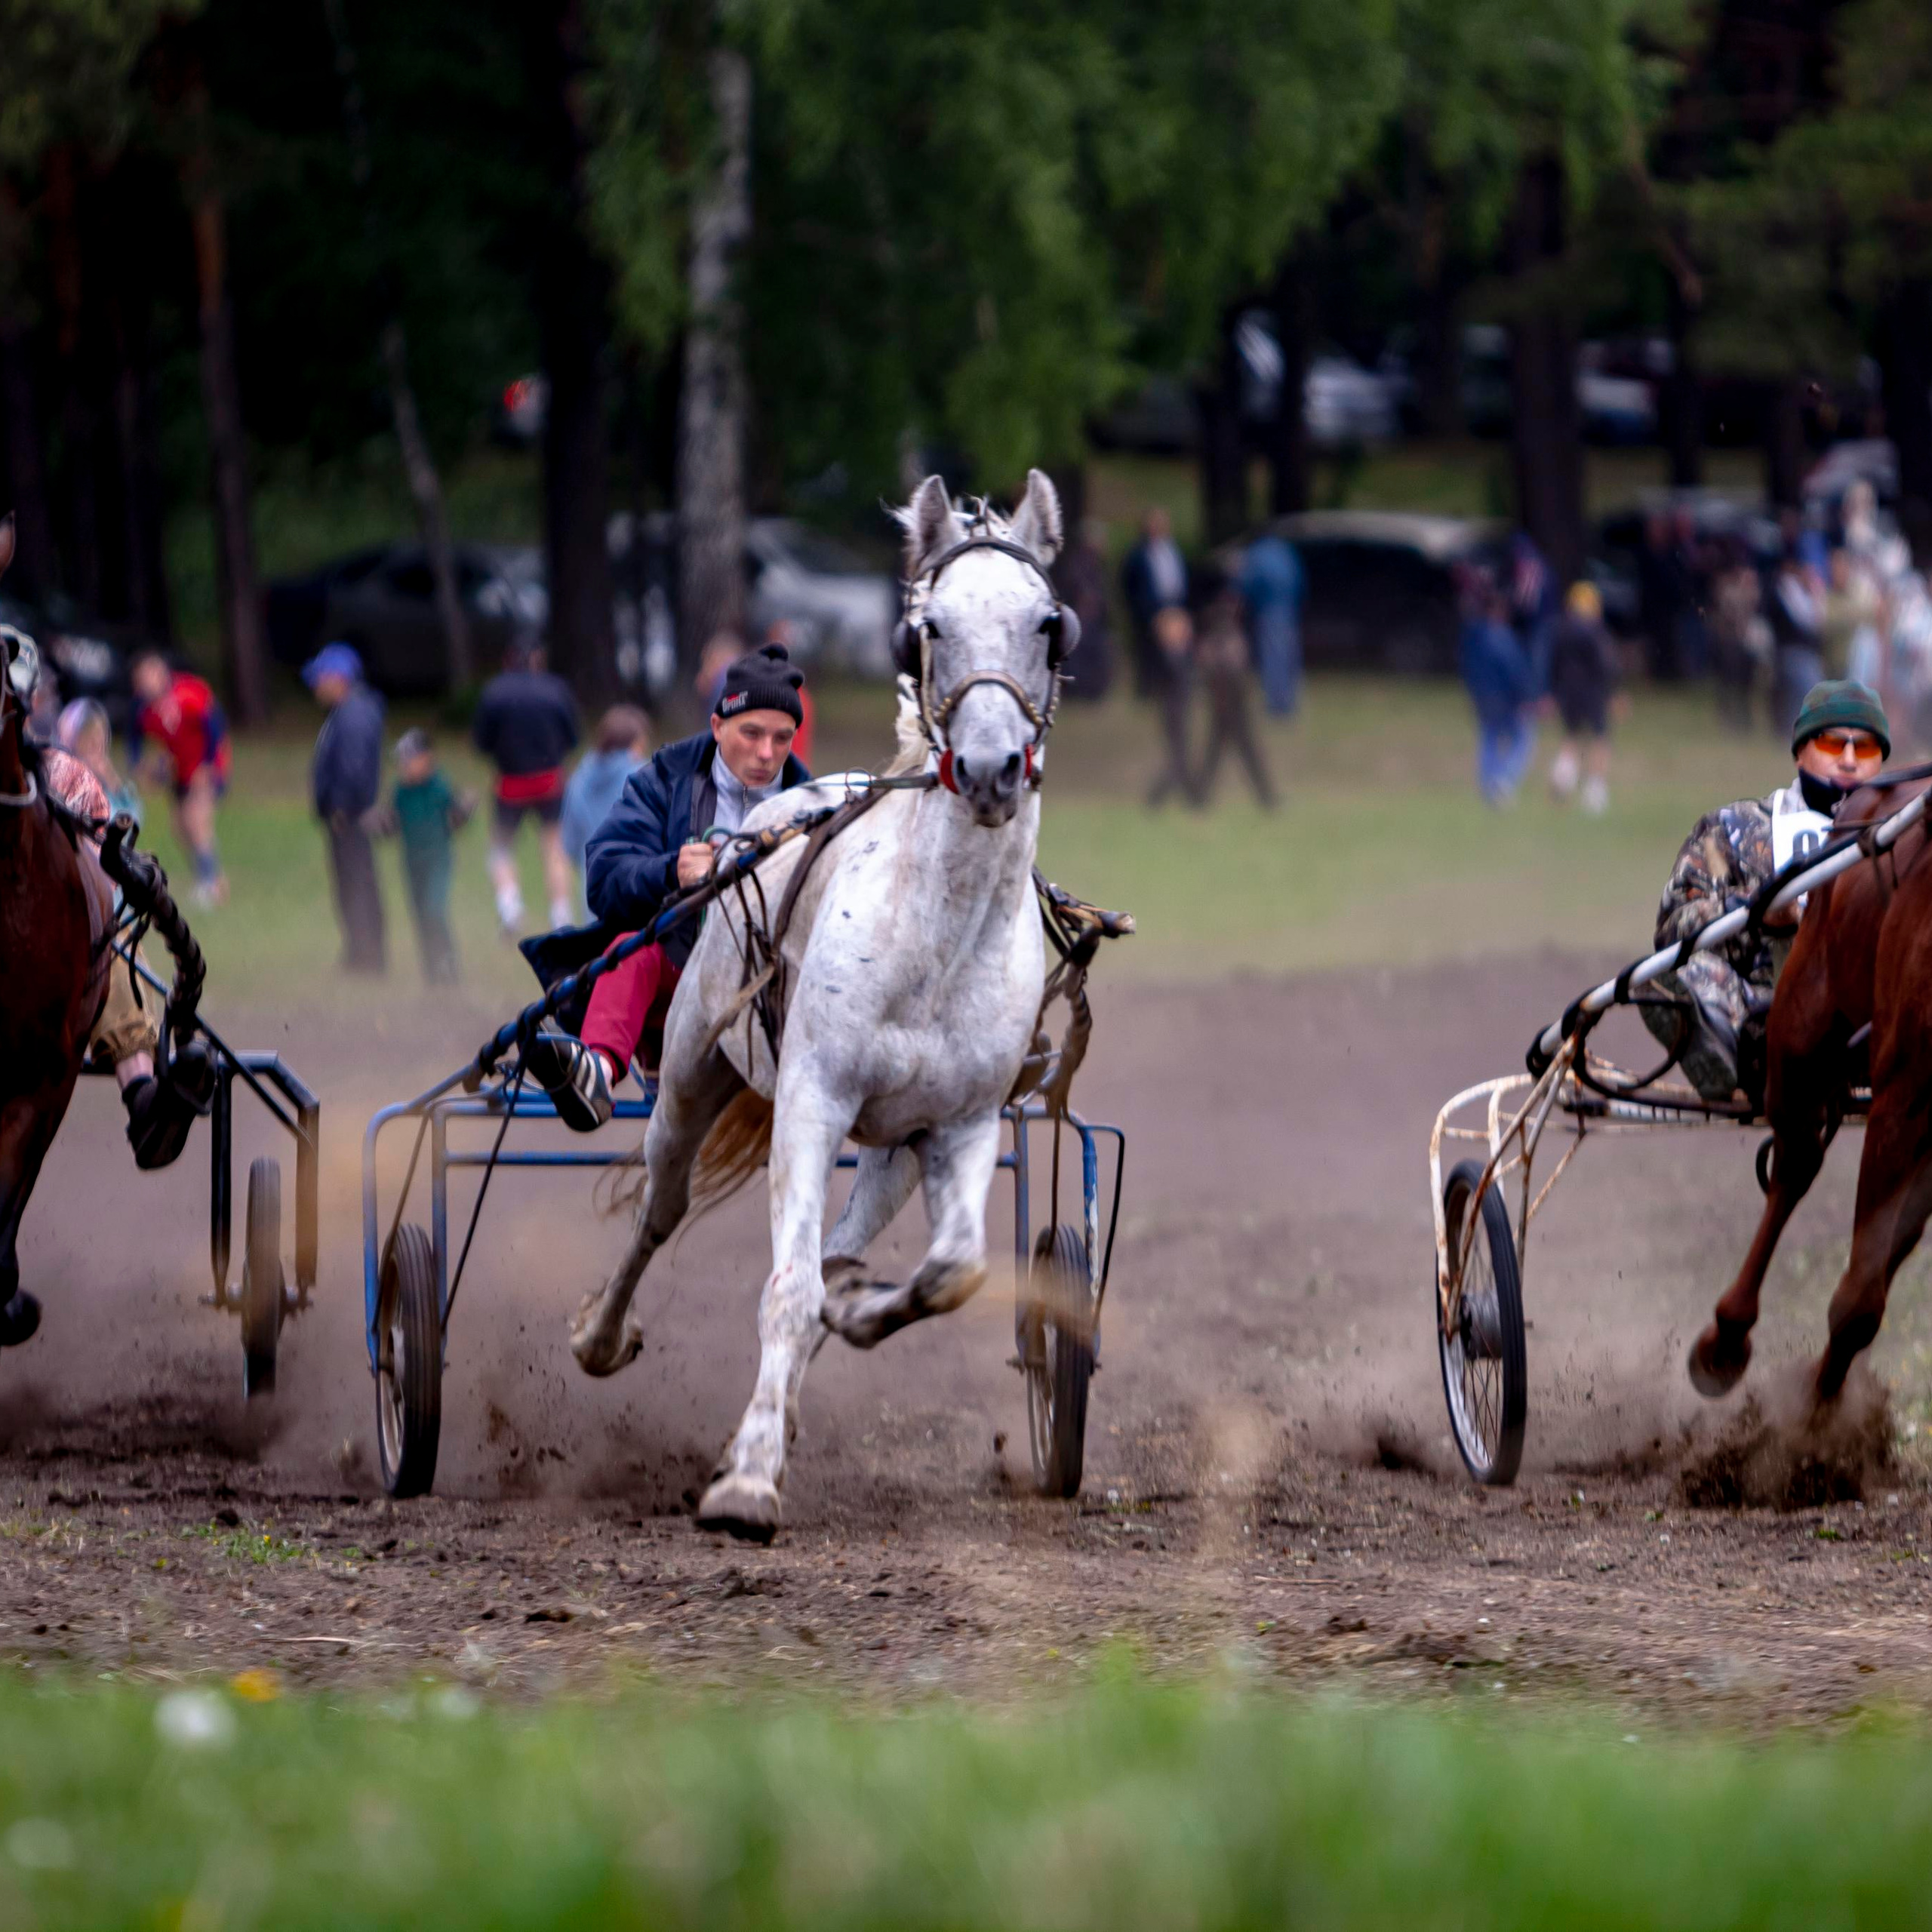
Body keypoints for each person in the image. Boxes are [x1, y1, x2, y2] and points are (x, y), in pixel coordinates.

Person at [521, 643, 811, 1131]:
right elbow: (605, 877)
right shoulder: (662, 782)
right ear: (718, 726)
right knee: (631, 949)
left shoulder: (810, 807)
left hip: (771, 994)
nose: (767, 754)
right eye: (752, 733)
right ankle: (598, 1071)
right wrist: (668, 871)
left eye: (782, 739)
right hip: (678, 977)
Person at [1641, 681, 1889, 1106]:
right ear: (1799, 752)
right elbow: (1672, 928)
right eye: (1833, 743)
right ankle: (1728, 1057)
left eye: (1864, 749)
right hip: (1764, 1020)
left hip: (1878, 1025)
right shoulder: (1734, 830)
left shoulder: (1910, 839)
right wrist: (1755, 912)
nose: (1849, 760)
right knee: (1672, 976)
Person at [471, 639, 580, 938]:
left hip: (511, 783)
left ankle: (510, 907)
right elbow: (573, 737)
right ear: (537, 659)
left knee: (500, 847)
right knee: (555, 847)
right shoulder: (555, 689)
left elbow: (481, 743)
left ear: (508, 660)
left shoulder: (494, 691)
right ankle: (561, 915)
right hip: (550, 780)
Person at [305, 641, 387, 975]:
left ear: (338, 678)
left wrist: (340, 807)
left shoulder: (353, 715)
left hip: (350, 818)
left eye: (319, 679)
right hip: (347, 816)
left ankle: (367, 957)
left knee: (357, 885)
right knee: (351, 884)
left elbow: (353, 767)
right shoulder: (348, 711)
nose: (314, 687)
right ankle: (359, 951)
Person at [128, 649, 229, 908]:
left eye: (150, 675)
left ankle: (210, 885)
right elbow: (134, 736)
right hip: (179, 771)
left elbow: (215, 727)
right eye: (142, 678)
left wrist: (208, 766)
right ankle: (211, 878)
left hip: (204, 767)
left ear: (162, 672)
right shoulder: (145, 706)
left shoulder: (188, 693)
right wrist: (140, 765)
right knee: (181, 828)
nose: (146, 683)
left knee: (197, 823)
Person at [386, 728, 473, 986]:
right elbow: (393, 822)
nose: (404, 766)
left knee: (435, 910)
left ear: (426, 759)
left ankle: (449, 965)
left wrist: (465, 810)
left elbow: (456, 817)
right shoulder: (401, 791)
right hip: (412, 863)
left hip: (438, 860)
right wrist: (378, 824)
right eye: (401, 761)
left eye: (409, 759)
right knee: (420, 916)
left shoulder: (439, 786)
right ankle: (432, 973)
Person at [561, 704, 652, 918]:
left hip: (594, 891)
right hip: (639, 892)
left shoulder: (579, 780)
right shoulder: (645, 778)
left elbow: (570, 844)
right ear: (635, 744)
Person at [1194, 571, 1275, 807]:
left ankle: (1202, 798)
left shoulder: (1219, 642)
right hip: (1229, 709)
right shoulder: (1226, 641)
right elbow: (1232, 674)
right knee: (1234, 754)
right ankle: (1265, 798)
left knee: (1224, 755)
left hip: (1230, 708)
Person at [1460, 576, 1537, 806]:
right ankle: (1504, 780)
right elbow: (1514, 670)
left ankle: (1488, 784)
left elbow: (1466, 667)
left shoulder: (1472, 637)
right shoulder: (1501, 638)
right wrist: (1526, 697)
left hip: (1481, 697)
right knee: (1522, 738)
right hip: (1505, 698)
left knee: (1490, 738)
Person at [1546, 580, 1620, 816]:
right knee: (1600, 739)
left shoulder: (1561, 629)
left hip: (1567, 691)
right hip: (1593, 691)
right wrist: (1613, 693)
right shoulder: (1596, 631)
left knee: (1571, 736)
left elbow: (1553, 664)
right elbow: (1605, 664)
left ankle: (1563, 776)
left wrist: (1555, 691)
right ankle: (1594, 793)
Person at [1121, 506, 1189, 700]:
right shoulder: (1138, 554)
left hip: (1174, 606)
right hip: (1149, 610)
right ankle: (1147, 691)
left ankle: (1173, 688)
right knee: (1148, 652)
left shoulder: (1172, 549)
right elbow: (1129, 582)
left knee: (1175, 652)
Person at [1238, 527, 1305, 717]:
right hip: (1289, 611)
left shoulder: (1257, 554)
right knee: (1290, 657)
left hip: (1268, 612)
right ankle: (1290, 702)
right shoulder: (1285, 551)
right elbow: (1300, 581)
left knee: (1273, 658)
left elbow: (1248, 585)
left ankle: (1277, 705)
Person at [1054, 520, 1115, 703]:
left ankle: (1092, 690)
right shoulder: (1077, 565)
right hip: (1079, 621)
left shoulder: (1097, 566)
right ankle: (1077, 691)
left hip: (1094, 622)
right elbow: (1073, 592)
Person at [56, 697, 140, 823]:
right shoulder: (62, 779)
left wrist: (111, 781)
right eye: (88, 735)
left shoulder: (111, 781)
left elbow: (133, 820)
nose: (95, 742)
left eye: (100, 734)